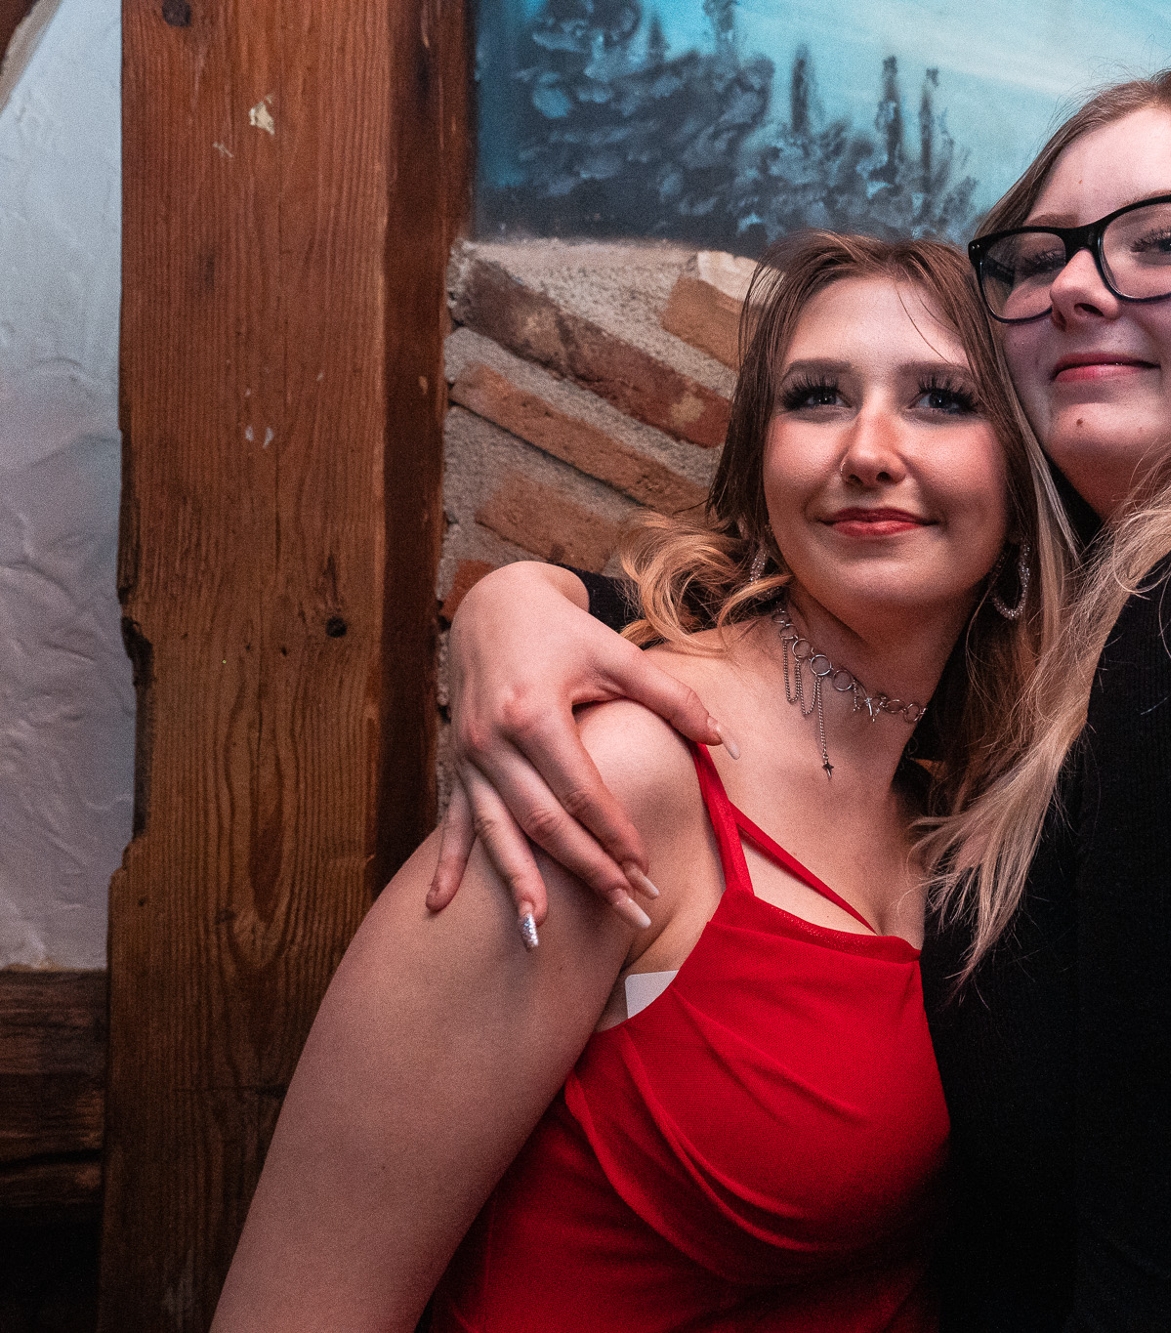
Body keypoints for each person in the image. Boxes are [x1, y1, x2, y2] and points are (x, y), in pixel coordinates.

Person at [434, 70, 1171, 1331]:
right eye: (1040, 258)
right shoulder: (1134, 629)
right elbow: (841, 595)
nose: (1083, 286)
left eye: (1162, 238)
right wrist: (531, 603)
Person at [211, 232, 1070, 1333]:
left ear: (1023, 479)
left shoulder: (948, 806)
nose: (867, 449)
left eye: (941, 400)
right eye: (815, 397)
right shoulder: (621, 770)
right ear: (757, 468)